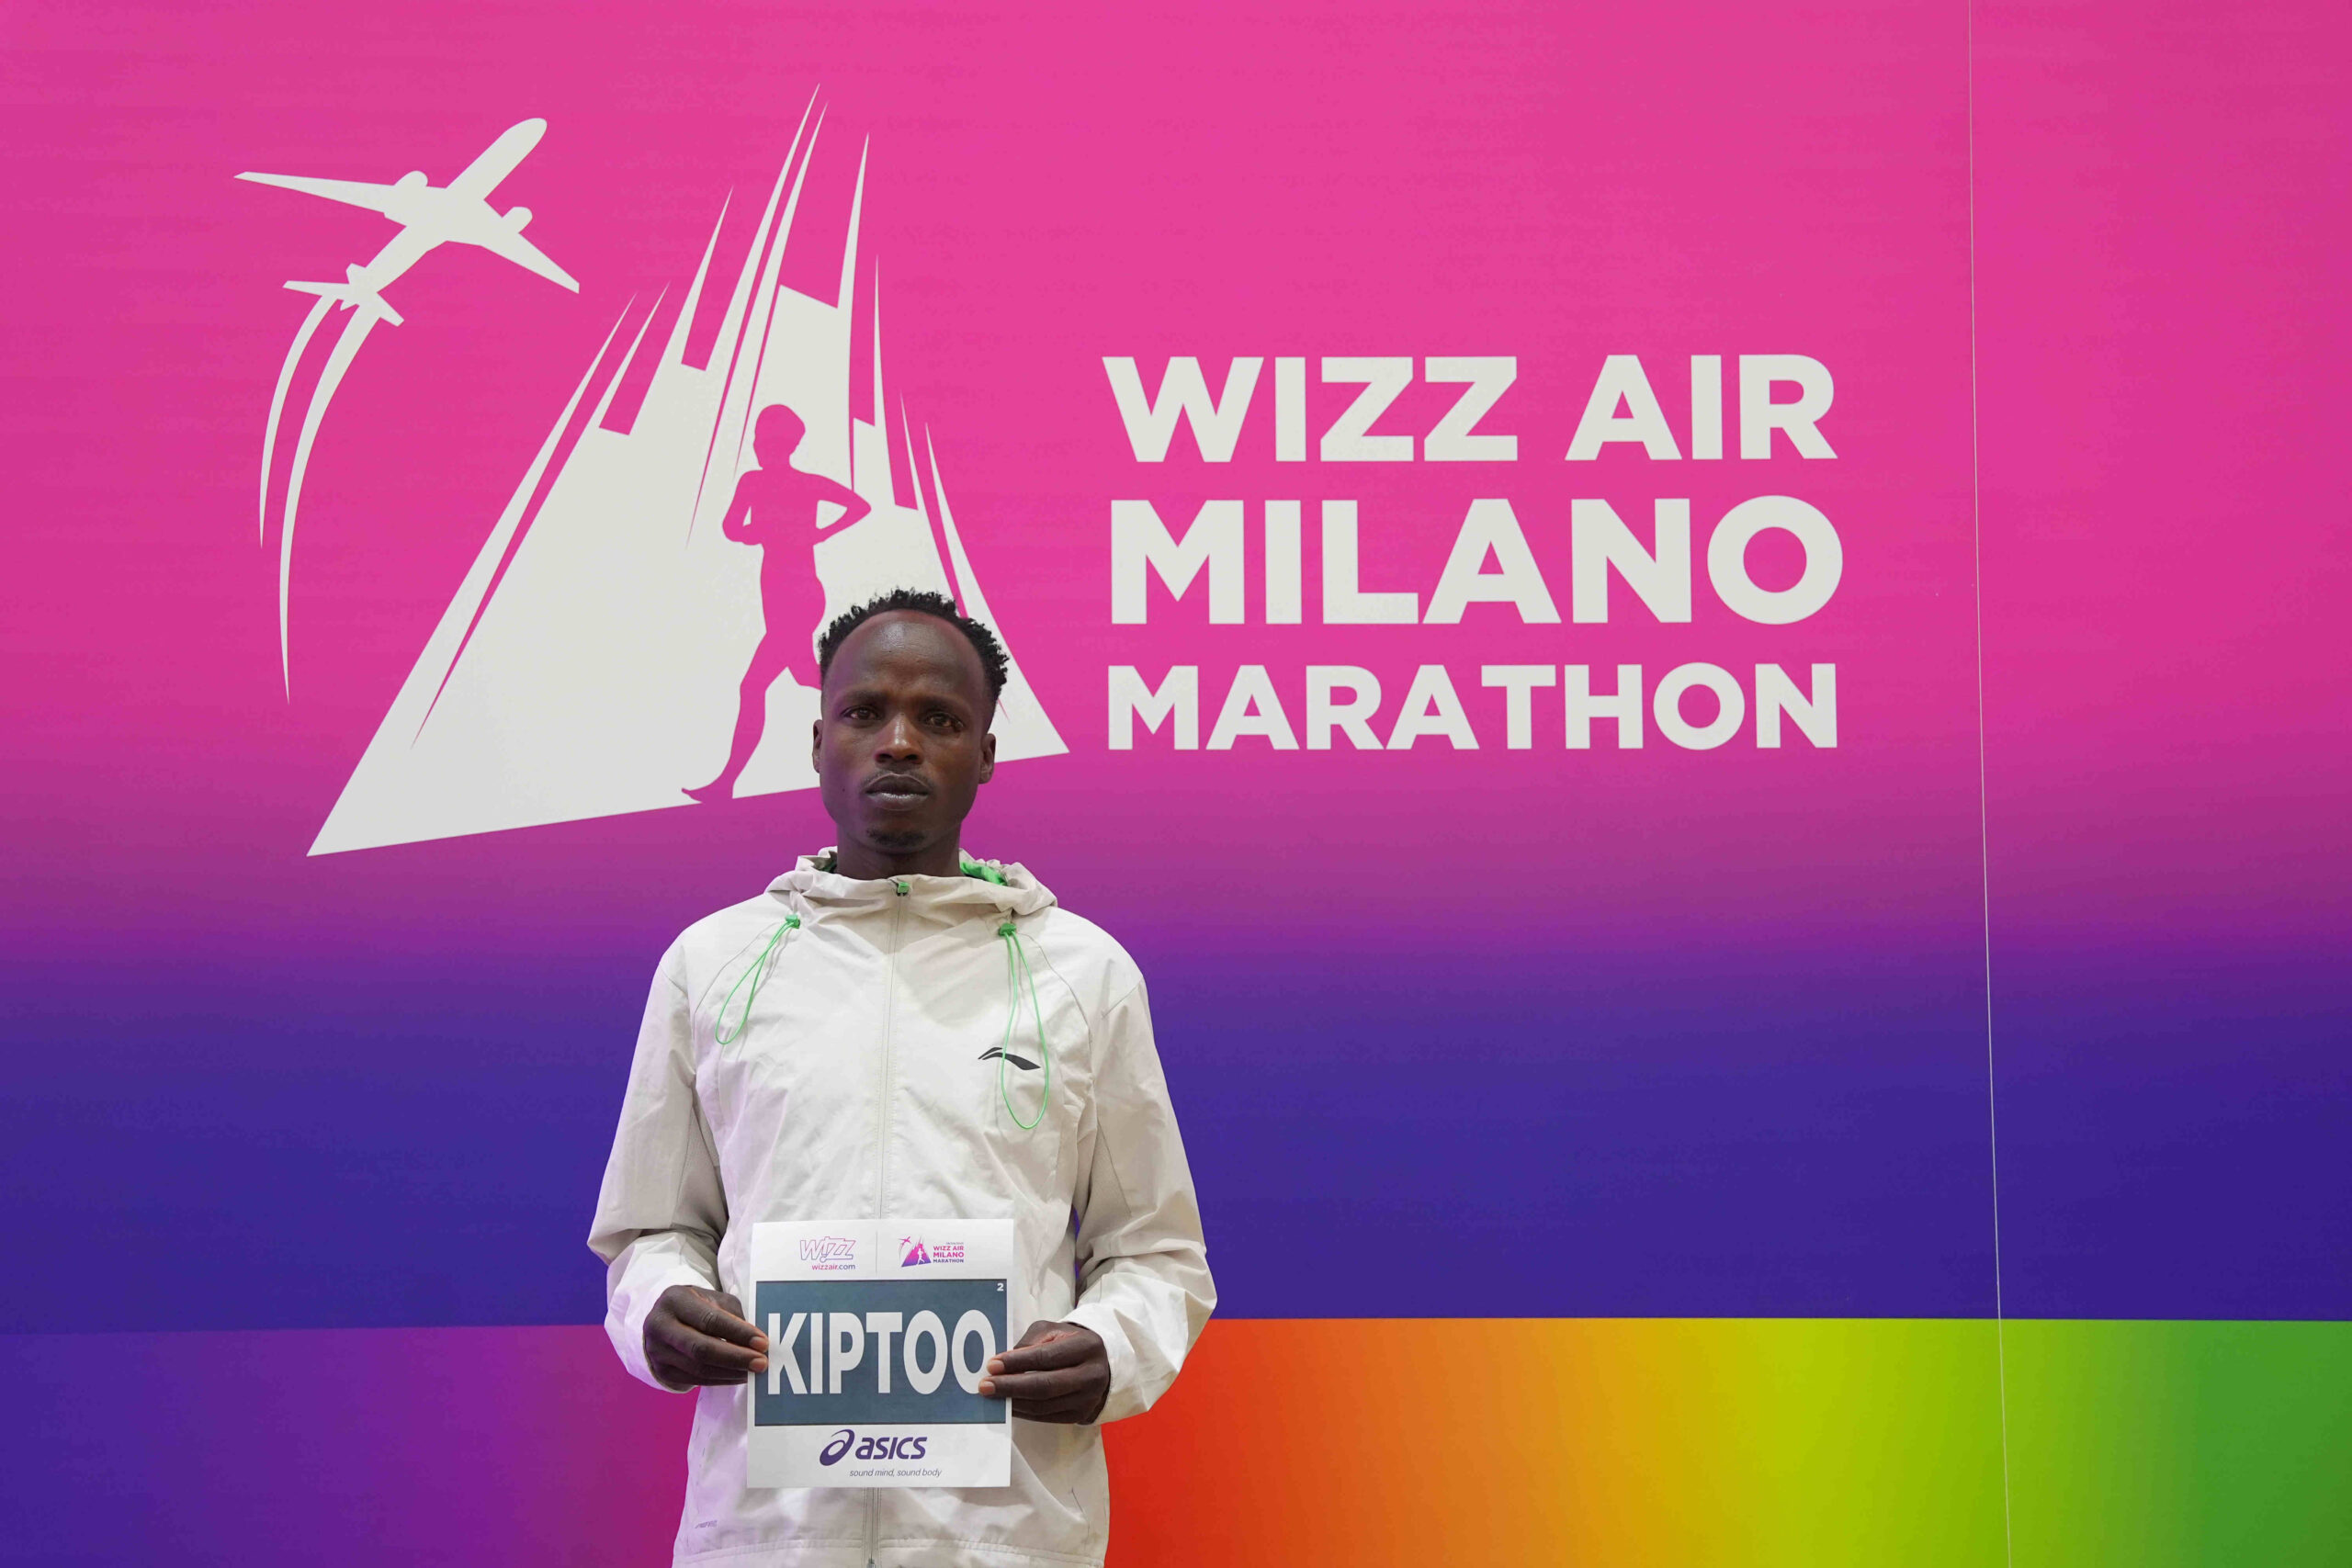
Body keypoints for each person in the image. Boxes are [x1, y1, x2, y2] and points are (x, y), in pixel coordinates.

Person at [591, 588, 1215, 1567]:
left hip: (1002, 1535)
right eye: (864, 712)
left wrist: (1114, 1347)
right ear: (817, 741)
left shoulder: (1083, 974)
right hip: (769, 1535)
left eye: (939, 719)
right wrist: (659, 1307)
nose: (898, 743)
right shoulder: (711, 965)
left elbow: (1155, 1254)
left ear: (986, 754)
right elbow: (651, 1230)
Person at [687, 403, 873, 803]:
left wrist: (820, 533)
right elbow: (731, 527)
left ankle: (726, 783)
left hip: (799, 596)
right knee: (806, 676)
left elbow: (860, 506)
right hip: (779, 595)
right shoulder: (754, 483)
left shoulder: (803, 484)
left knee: (755, 685)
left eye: (767, 440)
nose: (760, 447)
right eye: (759, 440)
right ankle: (869, 693)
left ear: (783, 445)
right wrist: (756, 530)